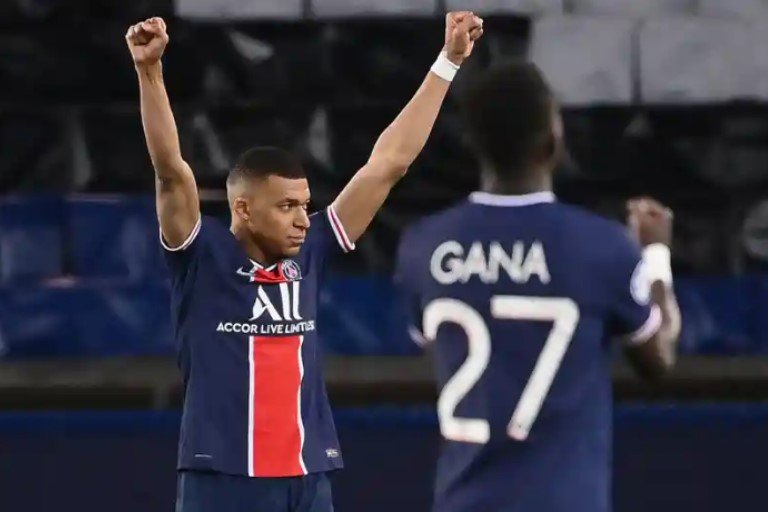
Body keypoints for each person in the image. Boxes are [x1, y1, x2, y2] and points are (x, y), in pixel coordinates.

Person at [124, 13, 483, 512]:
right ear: (243, 209)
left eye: (304, 204)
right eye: (286, 207)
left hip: (309, 475)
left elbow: (389, 164)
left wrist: (448, 62)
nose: (302, 219)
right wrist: (150, 73)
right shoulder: (201, 256)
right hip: (223, 476)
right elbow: (170, 171)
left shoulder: (313, 251)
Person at [395, 62, 681, 512]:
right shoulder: (602, 247)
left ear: (472, 143)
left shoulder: (423, 248)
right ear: (553, 141)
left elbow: (442, 347)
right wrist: (656, 256)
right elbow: (659, 358)